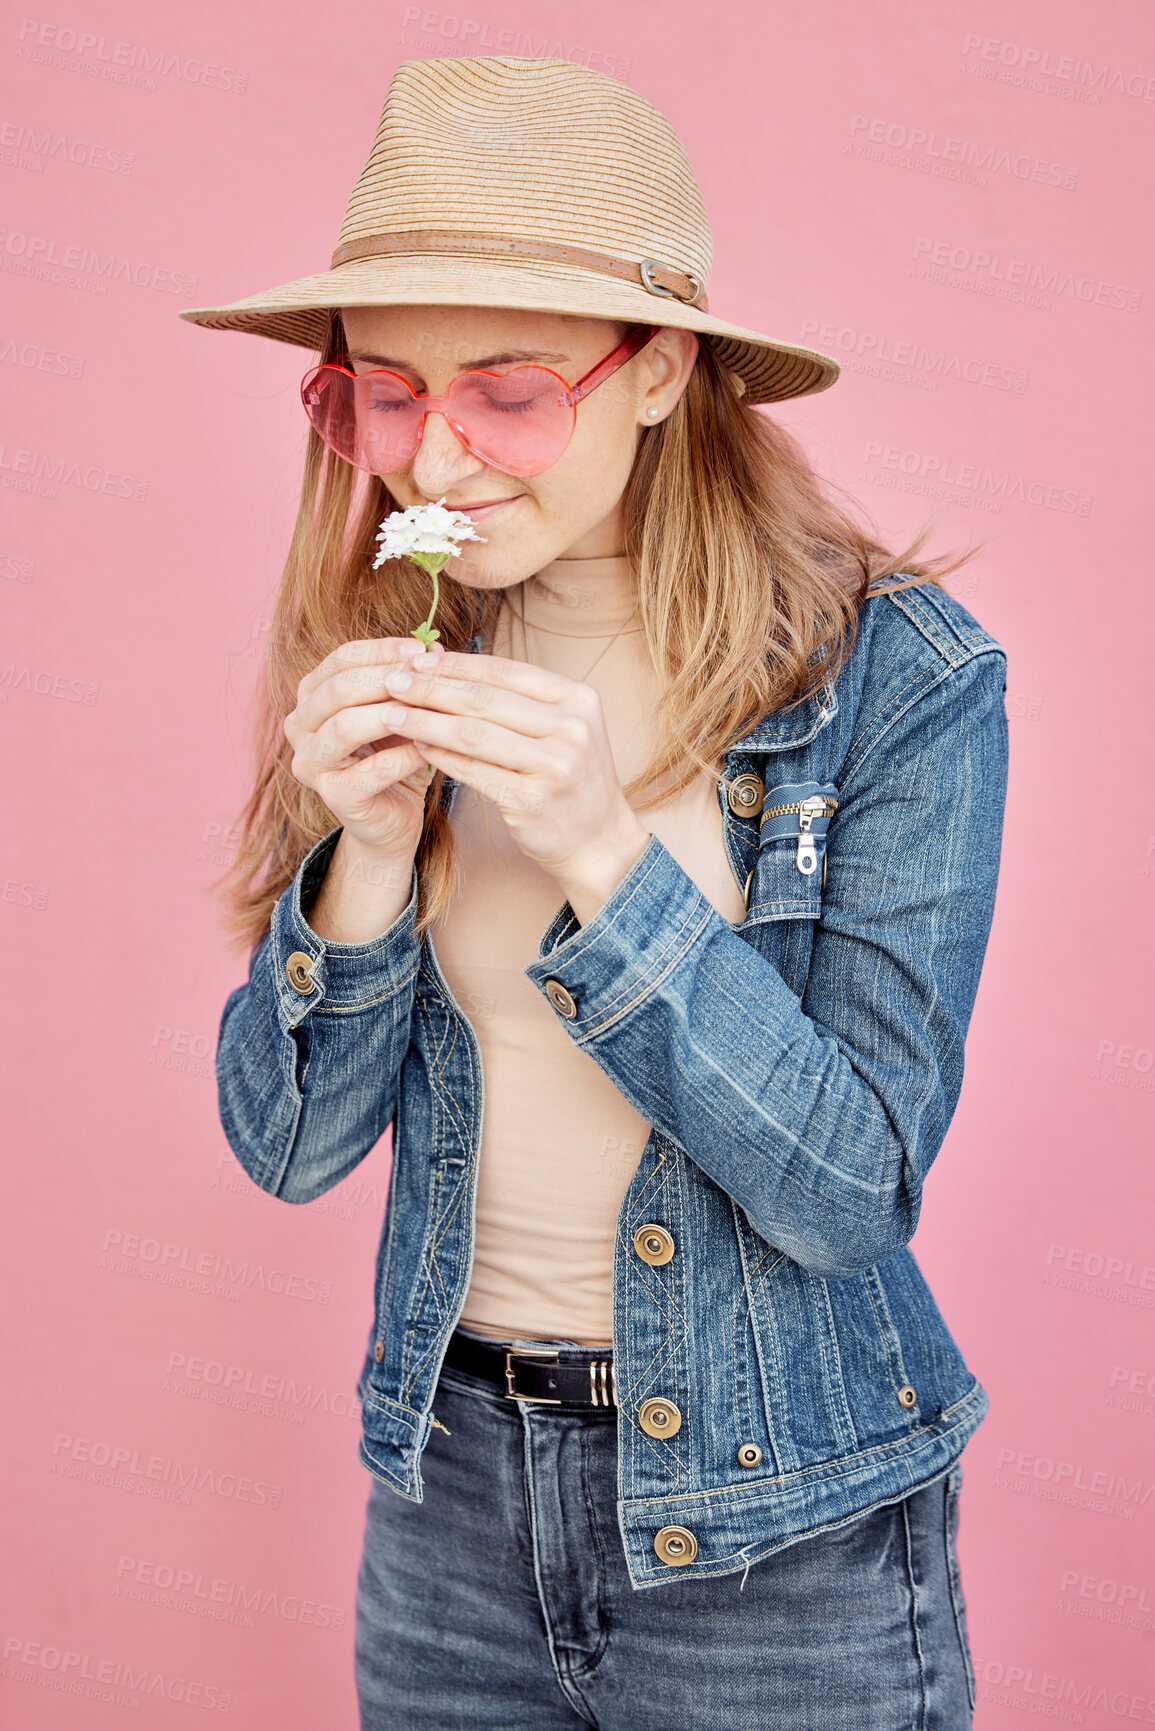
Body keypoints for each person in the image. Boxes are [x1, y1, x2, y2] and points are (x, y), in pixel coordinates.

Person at [181, 53, 1008, 1731]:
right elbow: (289, 1151)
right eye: (386, 394)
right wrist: (369, 859)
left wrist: (602, 861)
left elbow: (850, 1191)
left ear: (662, 372)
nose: (438, 462)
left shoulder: (900, 679)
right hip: (449, 1506)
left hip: (782, 1530)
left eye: (508, 389)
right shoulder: (391, 638)